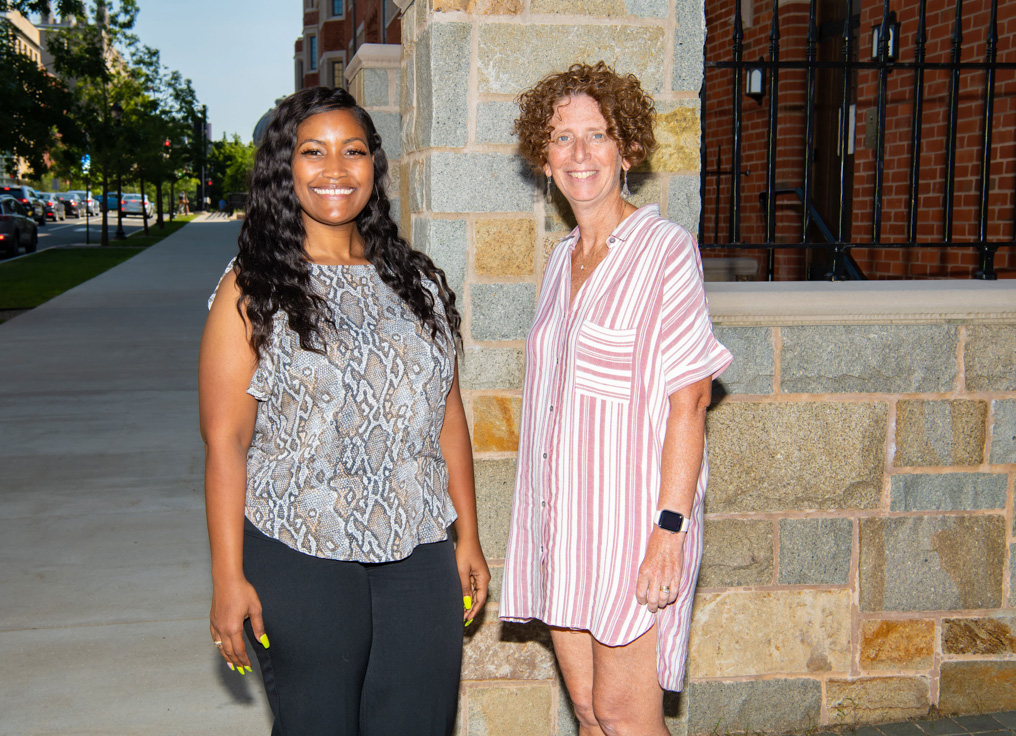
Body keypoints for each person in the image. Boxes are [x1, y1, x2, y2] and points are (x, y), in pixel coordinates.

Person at [199, 87, 489, 736]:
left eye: (353, 151)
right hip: (298, 541)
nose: (335, 169)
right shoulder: (250, 289)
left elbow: (447, 415)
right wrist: (227, 578)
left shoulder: (414, 282)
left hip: (416, 543)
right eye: (313, 152)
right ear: (285, 169)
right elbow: (225, 441)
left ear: (373, 167)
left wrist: (466, 535)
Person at [500, 62, 732, 736]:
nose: (579, 154)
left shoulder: (666, 252)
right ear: (543, 159)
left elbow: (689, 405)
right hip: (561, 529)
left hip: (631, 530)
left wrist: (669, 532)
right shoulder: (561, 260)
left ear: (626, 150)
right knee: (590, 714)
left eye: (596, 136)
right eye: (562, 138)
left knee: (628, 720)